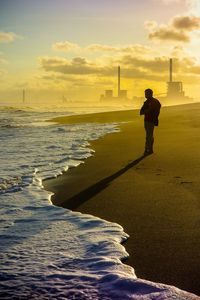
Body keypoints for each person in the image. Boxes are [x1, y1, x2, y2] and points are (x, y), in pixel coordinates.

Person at [140, 88, 161, 155]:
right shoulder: (147, 102)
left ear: (150, 94)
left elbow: (157, 109)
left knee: (148, 135)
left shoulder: (153, 101)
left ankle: (147, 149)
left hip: (150, 120)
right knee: (150, 135)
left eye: (146, 93)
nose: (145, 95)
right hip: (147, 120)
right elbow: (141, 112)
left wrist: (149, 111)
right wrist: (147, 110)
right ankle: (150, 149)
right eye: (145, 93)